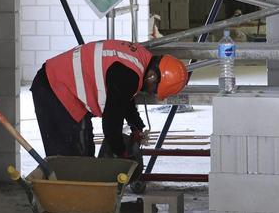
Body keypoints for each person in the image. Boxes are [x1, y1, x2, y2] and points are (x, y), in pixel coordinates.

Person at [30, 39, 189, 162]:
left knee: (84, 155)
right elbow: (111, 123)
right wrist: (122, 154)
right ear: (153, 76)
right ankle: (64, 194)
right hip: (53, 86)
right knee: (68, 159)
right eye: (154, 90)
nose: (150, 92)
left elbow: (124, 98)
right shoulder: (129, 75)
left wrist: (136, 125)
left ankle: (79, 191)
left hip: (61, 86)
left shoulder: (140, 59)